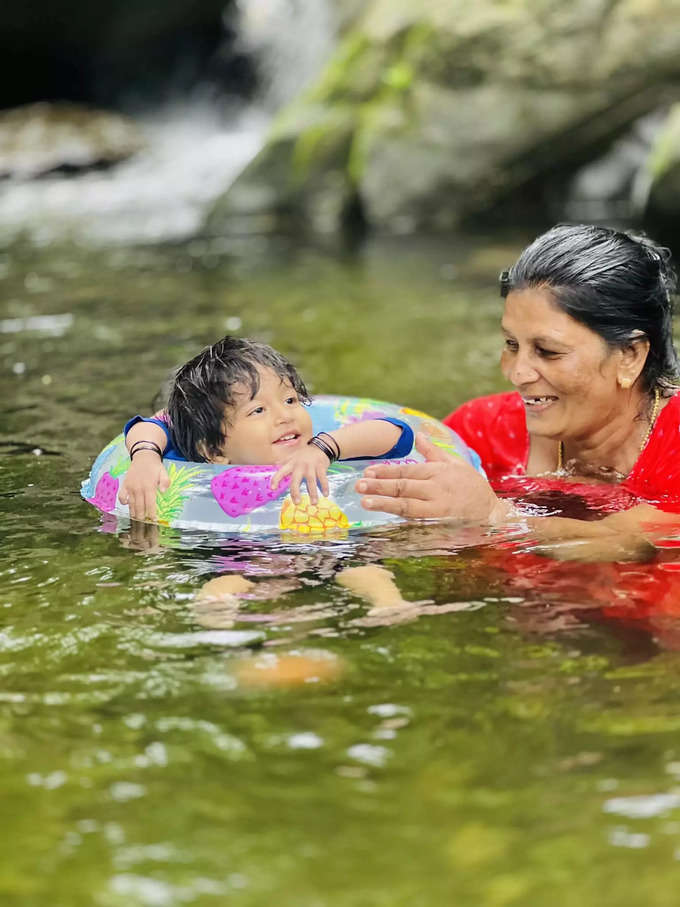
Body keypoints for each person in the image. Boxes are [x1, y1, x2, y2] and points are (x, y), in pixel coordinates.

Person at [356, 224, 680, 554]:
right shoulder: (480, 431)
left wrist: (496, 514)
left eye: (548, 351)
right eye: (512, 344)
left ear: (629, 356)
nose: (517, 373)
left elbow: (632, 545)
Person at [119, 336, 414, 521]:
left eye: (289, 399)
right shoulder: (198, 452)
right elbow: (156, 424)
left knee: (364, 571)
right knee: (226, 584)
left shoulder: (324, 450)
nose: (285, 415)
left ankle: (388, 605)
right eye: (258, 410)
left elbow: (397, 432)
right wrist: (145, 456)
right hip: (241, 549)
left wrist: (325, 448)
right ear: (214, 450)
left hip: (336, 539)